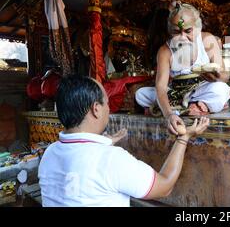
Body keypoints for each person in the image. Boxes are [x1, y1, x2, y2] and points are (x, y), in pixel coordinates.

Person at [38, 75, 209, 207]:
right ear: (96, 109)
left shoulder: (49, 153)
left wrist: (104, 144)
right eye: (106, 102)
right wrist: (183, 138)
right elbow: (164, 187)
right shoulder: (111, 159)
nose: (109, 108)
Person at [136, 1, 230, 135]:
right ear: (170, 31)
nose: (182, 37)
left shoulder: (208, 39)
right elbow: (161, 87)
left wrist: (218, 76)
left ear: (197, 27)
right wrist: (169, 115)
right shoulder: (165, 50)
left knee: (221, 89)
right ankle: (191, 107)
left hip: (202, 89)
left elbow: (225, 76)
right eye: (176, 32)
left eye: (188, 31)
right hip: (176, 93)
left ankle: (193, 105)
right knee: (141, 94)